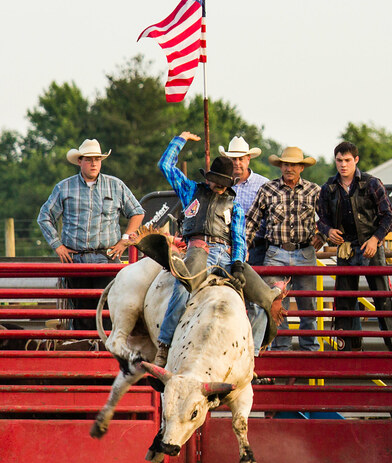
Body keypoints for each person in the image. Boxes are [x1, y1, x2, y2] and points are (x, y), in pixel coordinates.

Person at [153, 131, 281, 363]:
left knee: (266, 300)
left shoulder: (235, 206)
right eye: (217, 183)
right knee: (183, 284)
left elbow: (239, 239)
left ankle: (250, 356)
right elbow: (165, 165)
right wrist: (179, 140)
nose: (220, 188)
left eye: (224, 185)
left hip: (228, 255)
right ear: (209, 178)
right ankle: (165, 342)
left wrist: (239, 266)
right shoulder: (191, 190)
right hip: (199, 248)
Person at [38, 139, 145, 330]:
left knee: (108, 310)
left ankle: (105, 353)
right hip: (76, 259)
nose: (94, 163)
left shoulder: (115, 185)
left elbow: (137, 212)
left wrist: (124, 241)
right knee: (80, 313)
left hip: (107, 257)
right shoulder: (64, 187)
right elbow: (44, 217)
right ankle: (83, 350)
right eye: (89, 159)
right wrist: (57, 245)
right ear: (80, 161)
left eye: (97, 159)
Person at [317, 141, 392, 351]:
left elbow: (390, 216)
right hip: (346, 247)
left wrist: (375, 239)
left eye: (347, 160)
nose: (343, 165)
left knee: (383, 299)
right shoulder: (329, 188)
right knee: (344, 301)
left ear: (356, 160)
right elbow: (322, 219)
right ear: (335, 161)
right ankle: (349, 351)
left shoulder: (372, 183)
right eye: (339, 160)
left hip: (371, 246)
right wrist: (328, 231)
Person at [246, 146, 323, 351]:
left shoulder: (314, 191)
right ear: (281, 166)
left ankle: (309, 348)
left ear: (301, 168)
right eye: (286, 164)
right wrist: (244, 246)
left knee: (308, 304)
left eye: (294, 165)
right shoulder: (268, 190)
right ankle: (281, 348)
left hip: (304, 251)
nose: (290, 168)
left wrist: (322, 235)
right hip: (276, 251)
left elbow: (328, 218)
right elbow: (252, 221)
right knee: (276, 303)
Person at [220, 136, 270, 265]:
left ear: (248, 160)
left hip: (256, 248)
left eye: (240, 159)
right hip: (224, 246)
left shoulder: (263, 185)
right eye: (233, 159)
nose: (237, 163)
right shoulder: (219, 184)